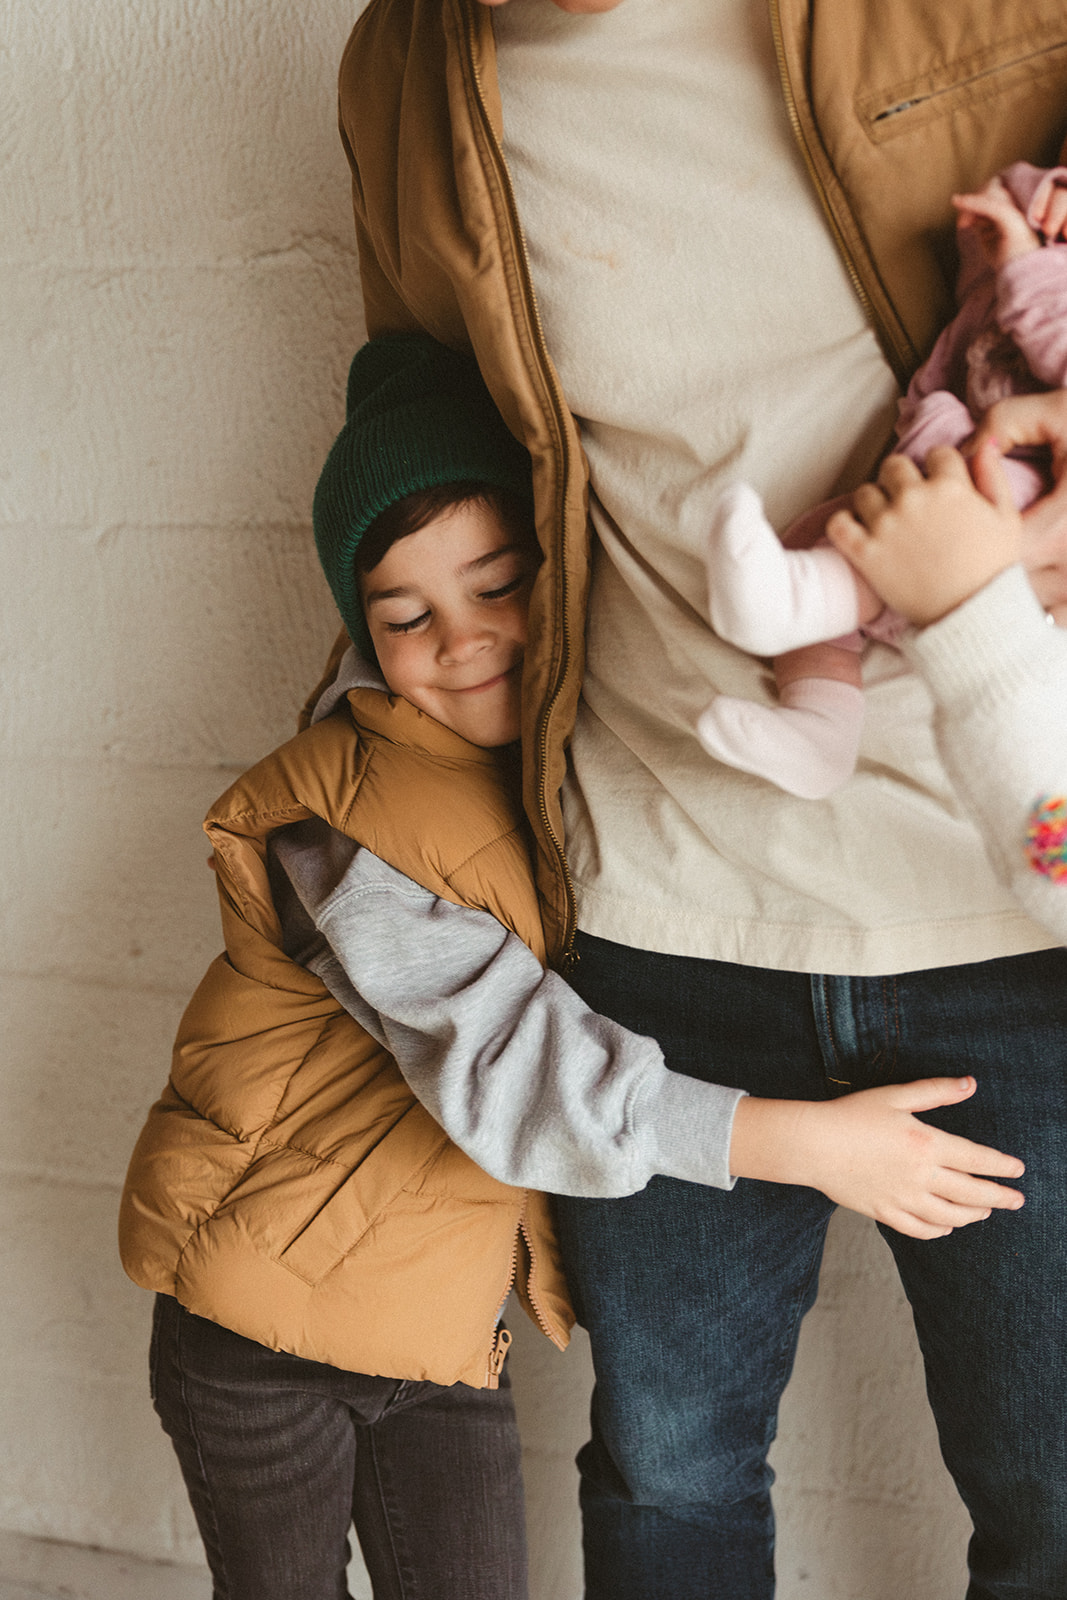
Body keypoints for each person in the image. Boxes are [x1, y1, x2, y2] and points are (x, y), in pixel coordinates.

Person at [330, 3, 1067, 1595]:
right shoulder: (404, 68)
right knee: (664, 1472)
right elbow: (422, 411)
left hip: (1014, 899)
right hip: (660, 907)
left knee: (1055, 1499)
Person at [120, 332, 1023, 1600]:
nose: (467, 638)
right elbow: (509, 1069)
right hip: (254, 1329)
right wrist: (803, 1143)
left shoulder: (548, 778)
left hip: (432, 1331)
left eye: (499, 585)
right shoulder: (340, 826)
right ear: (359, 633)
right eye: (406, 615)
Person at [698, 160, 1067, 798]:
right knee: (823, 529)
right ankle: (819, 728)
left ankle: (808, 598)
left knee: (902, 535)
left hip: (1023, 494)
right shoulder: (1039, 201)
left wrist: (1032, 264)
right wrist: (1025, 208)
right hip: (965, 462)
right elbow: (980, 258)